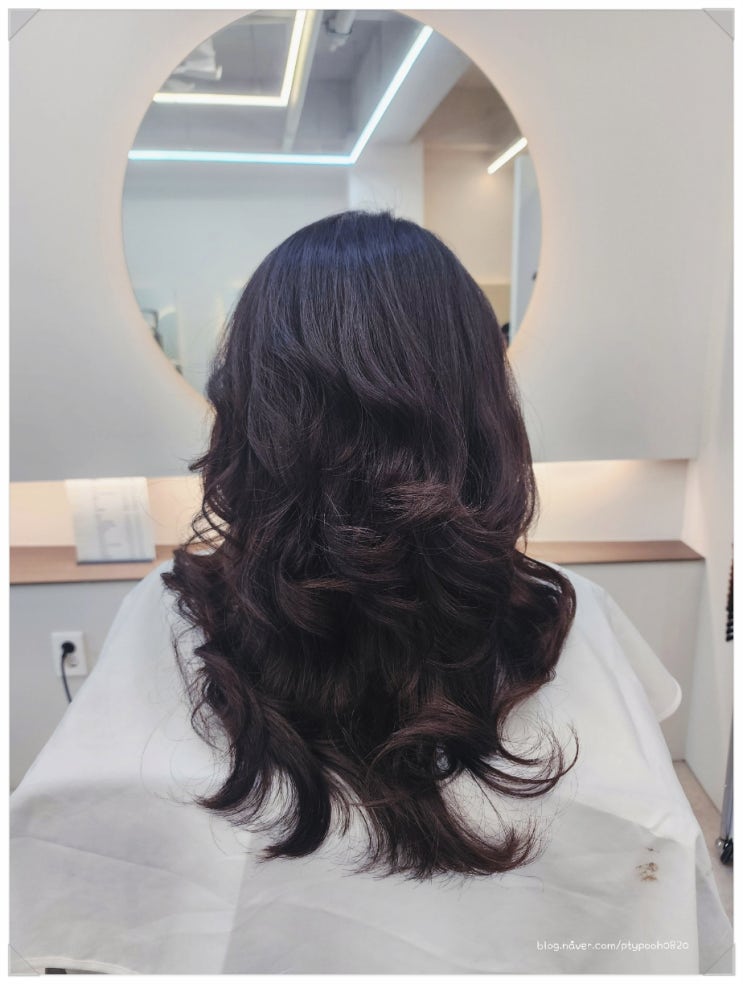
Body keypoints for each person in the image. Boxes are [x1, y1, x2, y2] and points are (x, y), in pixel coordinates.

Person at [10, 211, 732, 973]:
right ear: (479, 400)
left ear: (251, 401)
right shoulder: (560, 610)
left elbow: (69, 836)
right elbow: (646, 844)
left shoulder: (168, 606)